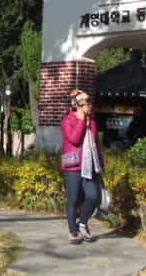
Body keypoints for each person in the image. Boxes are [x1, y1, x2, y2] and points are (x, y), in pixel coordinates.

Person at [61, 90, 104, 244]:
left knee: (93, 196)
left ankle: (83, 223)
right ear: (77, 106)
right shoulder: (68, 121)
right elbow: (74, 139)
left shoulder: (92, 122)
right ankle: (73, 231)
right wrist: (80, 121)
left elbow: (96, 145)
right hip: (73, 165)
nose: (90, 106)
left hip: (89, 165)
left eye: (90, 103)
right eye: (86, 104)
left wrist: (100, 164)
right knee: (73, 199)